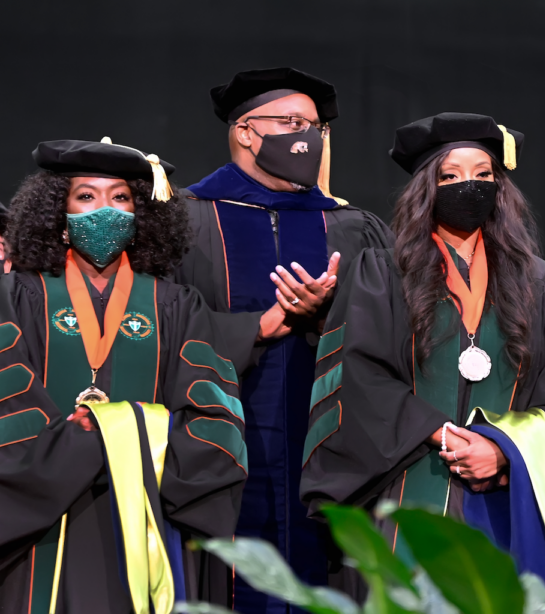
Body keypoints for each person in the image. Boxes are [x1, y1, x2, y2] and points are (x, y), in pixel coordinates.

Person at [300, 113, 545, 598]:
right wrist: (442, 432)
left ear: (500, 186)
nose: (467, 186)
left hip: (513, 495)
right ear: (426, 189)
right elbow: (357, 375)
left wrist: (503, 451)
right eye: (449, 176)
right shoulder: (381, 275)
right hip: (407, 486)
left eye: (482, 174)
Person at [0, 138, 257, 613]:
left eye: (121, 198)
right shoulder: (15, 297)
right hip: (41, 519)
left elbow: (214, 415)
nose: (106, 210)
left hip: (145, 507)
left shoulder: (175, 305)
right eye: (87, 196)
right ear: (58, 211)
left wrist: (130, 438)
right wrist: (72, 445)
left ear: (143, 215)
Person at [175, 66, 394, 612]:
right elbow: (159, 327)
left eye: (315, 126)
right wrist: (256, 327)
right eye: (290, 121)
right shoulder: (184, 219)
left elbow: (393, 336)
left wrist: (324, 319)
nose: (307, 137)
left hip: (328, 437)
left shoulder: (351, 226)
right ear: (246, 130)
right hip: (218, 435)